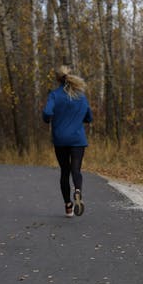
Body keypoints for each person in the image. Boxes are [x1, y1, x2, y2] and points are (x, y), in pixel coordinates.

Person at [42, 66, 92, 218]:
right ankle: (78, 190)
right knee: (76, 170)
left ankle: (68, 207)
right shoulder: (81, 96)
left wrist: (47, 119)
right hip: (77, 139)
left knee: (65, 171)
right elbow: (89, 117)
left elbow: (47, 112)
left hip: (61, 139)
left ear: (58, 79)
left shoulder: (54, 95)